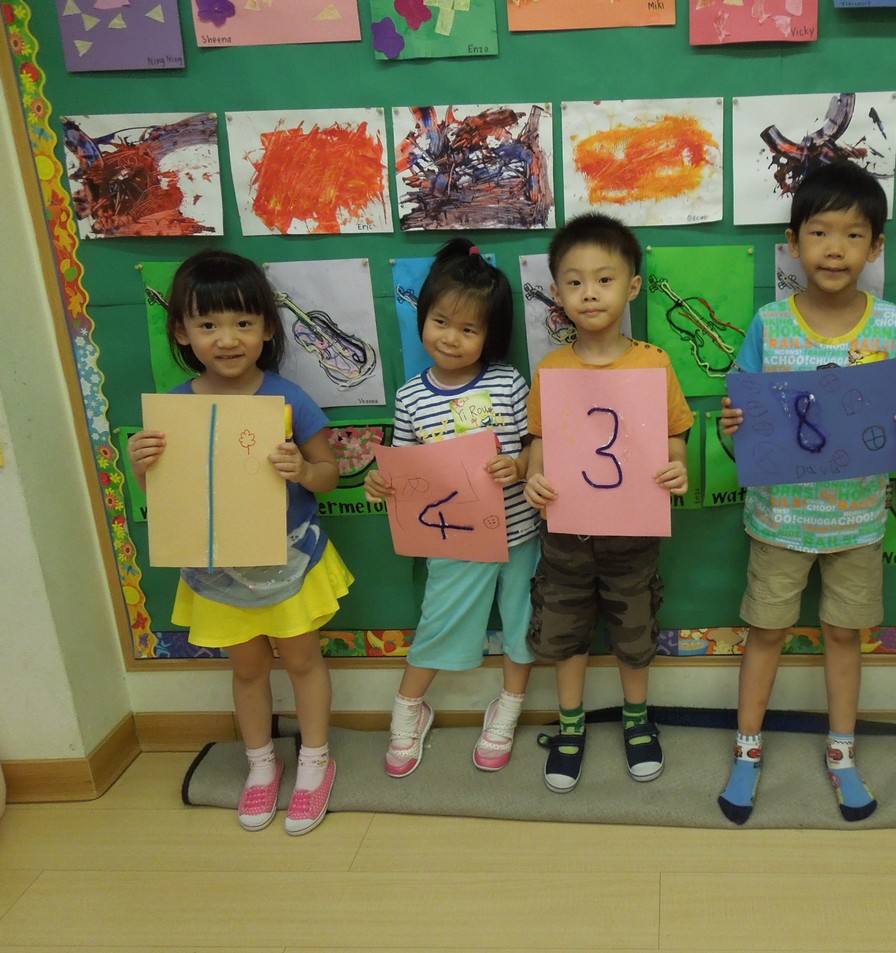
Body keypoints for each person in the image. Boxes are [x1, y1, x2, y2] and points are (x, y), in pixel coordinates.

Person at [717, 161, 896, 825]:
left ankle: (842, 752)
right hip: (779, 520)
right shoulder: (770, 323)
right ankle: (747, 749)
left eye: (853, 235)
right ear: (793, 243)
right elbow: (740, 418)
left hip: (857, 522)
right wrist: (732, 425)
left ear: (876, 247)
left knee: (843, 633)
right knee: (766, 632)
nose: (835, 249)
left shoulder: (890, 326)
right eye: (819, 232)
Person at [127, 250, 352, 835]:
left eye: (243, 322)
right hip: (217, 568)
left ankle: (315, 760)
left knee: (302, 660)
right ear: (182, 332)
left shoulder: (289, 399)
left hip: (288, 561)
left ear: (267, 328)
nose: (227, 339)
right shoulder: (174, 409)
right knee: (248, 668)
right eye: (208, 324)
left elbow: (330, 474)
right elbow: (169, 499)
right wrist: (142, 466)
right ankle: (260, 764)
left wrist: (303, 470)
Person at [523, 213, 693, 793]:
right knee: (564, 629)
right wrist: (534, 479)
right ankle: (570, 726)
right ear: (557, 292)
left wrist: (677, 465)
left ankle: (637, 720)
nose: (589, 293)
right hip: (565, 536)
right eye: (574, 282)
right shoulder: (551, 369)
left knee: (634, 628)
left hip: (633, 533)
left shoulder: (654, 362)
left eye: (604, 279)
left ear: (633, 286)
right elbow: (539, 442)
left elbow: (675, 433)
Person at [364, 239, 540, 777]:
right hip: (454, 540)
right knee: (438, 623)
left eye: (469, 329)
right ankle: (408, 709)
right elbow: (404, 468)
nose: (451, 337)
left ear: (491, 335)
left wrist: (518, 467)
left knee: (524, 625)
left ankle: (508, 707)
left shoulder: (508, 382)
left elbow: (534, 446)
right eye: (441, 322)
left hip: (520, 534)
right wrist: (382, 483)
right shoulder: (411, 397)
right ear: (423, 318)